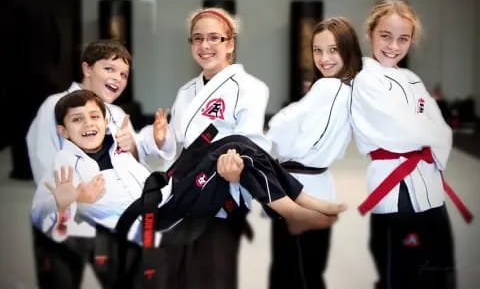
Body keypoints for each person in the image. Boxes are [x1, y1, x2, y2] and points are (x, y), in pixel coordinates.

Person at [35, 90, 346, 286]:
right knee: (233, 152)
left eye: (94, 116)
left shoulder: (113, 144)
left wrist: (157, 138)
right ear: (63, 131)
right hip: (158, 216)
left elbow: (153, 152)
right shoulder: (65, 164)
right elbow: (41, 211)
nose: (89, 124)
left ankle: (299, 199)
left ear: (105, 121)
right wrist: (69, 200)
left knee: (234, 142)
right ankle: (292, 207)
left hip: (166, 187)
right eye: (77, 120)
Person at [149, 7, 343, 289]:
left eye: (215, 38)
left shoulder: (250, 87)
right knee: (174, 275)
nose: (205, 45)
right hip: (185, 191)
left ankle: (295, 206)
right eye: (197, 38)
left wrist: (234, 169)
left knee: (214, 277)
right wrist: (161, 139)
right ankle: (295, 204)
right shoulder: (186, 91)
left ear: (230, 44)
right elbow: (177, 146)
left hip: (221, 194)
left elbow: (254, 147)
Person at [27, 39, 175, 289]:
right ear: (87, 69)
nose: (117, 78)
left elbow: (129, 169)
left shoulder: (115, 114)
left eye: (124, 74)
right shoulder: (55, 106)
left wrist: (138, 145)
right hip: (67, 222)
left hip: (112, 224)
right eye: (109, 69)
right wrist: (74, 197)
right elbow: (46, 172)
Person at [350, 0, 457, 288]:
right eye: (385, 36)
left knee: (439, 268)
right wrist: (423, 131)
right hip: (394, 190)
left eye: (403, 39)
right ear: (370, 33)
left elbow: (443, 132)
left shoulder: (411, 79)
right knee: (401, 272)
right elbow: (400, 129)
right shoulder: (366, 81)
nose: (393, 46)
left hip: (431, 185)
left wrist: (428, 140)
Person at [267, 17, 362, 289]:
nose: (324, 58)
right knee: (310, 269)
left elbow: (279, 127)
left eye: (333, 50)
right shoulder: (350, 87)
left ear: (348, 49)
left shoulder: (328, 87)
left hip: (298, 189)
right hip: (317, 185)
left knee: (290, 271)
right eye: (318, 50)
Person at [3, 0, 60, 180]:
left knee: (20, 125)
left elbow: (8, 47)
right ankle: (43, 167)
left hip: (19, 78)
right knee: (41, 123)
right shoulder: (44, 9)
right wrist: (50, 67)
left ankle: (23, 170)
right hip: (43, 77)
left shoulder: (13, 10)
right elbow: (56, 41)